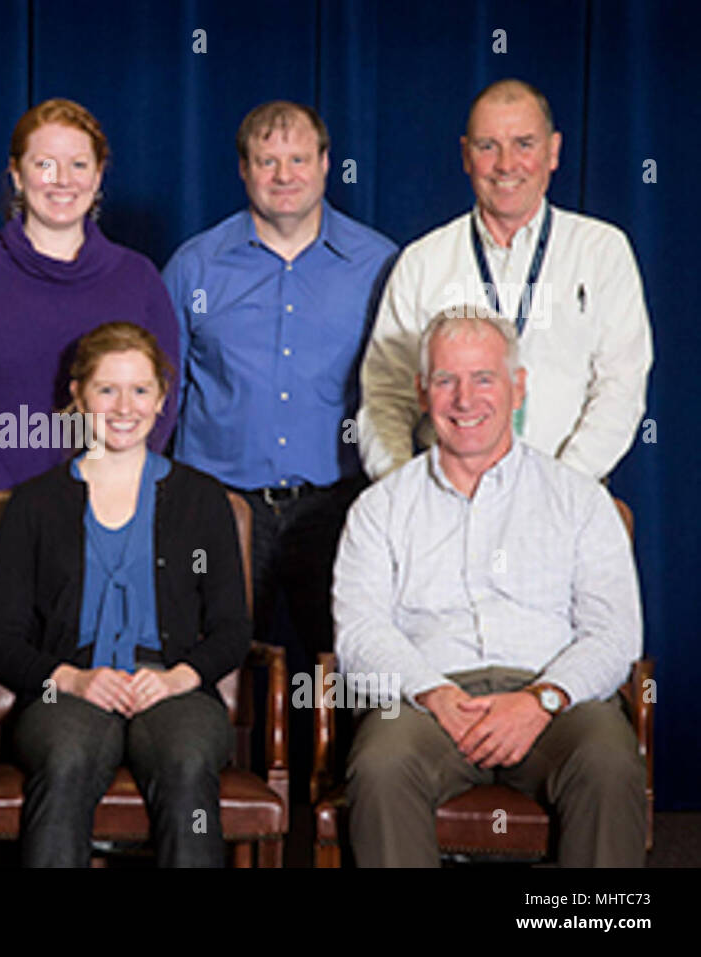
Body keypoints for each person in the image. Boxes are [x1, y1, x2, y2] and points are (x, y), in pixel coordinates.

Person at [334, 309, 646, 867]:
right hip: (425, 701)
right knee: (381, 764)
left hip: (555, 699)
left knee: (608, 760)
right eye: (446, 380)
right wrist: (432, 693)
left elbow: (614, 634)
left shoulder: (580, 501)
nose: (464, 399)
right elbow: (360, 634)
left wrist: (541, 700)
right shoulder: (380, 508)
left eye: (484, 378)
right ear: (421, 391)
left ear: (517, 388)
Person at [0, 322, 250, 867]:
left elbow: (232, 629)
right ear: (77, 397)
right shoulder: (30, 507)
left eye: (140, 390)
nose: (124, 406)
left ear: (162, 399)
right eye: (107, 389)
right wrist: (72, 680)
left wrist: (178, 678)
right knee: (66, 757)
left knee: (188, 758)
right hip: (66, 685)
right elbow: (0, 641)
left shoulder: (204, 501)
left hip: (173, 683)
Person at [0, 98, 181, 644]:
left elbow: (162, 401)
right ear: (16, 173)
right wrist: (6, 507)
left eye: (78, 164)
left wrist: (105, 496)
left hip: (104, 525)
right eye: (44, 164)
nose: (62, 180)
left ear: (99, 175)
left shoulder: (139, 279)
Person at [162, 100, 396, 672]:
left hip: (339, 505)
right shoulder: (194, 266)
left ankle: (338, 765)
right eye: (267, 161)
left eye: (297, 159)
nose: (284, 176)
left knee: (345, 672)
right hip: (221, 506)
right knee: (215, 672)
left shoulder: (380, 264)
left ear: (324, 163)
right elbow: (162, 393)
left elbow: (399, 393)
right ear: (243, 169)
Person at [357, 78, 653, 482]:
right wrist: (403, 490)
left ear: (553, 151)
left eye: (524, 144)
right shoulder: (422, 262)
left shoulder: (601, 252)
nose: (506, 165)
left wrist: (561, 489)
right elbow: (384, 396)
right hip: (446, 502)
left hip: (565, 493)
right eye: (487, 146)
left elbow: (621, 387)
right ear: (465, 155)